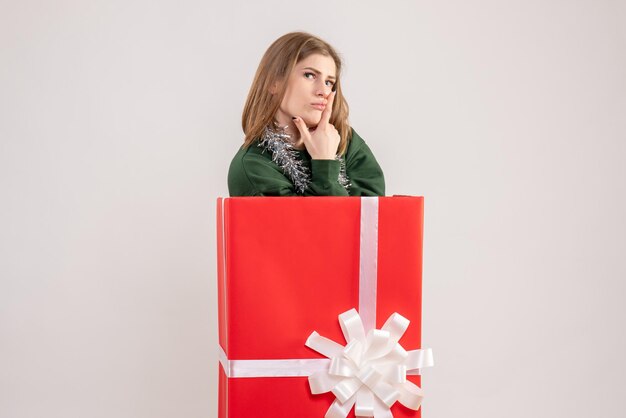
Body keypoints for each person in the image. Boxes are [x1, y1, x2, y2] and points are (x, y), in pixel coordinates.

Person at [227, 32, 385, 196]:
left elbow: (372, 219)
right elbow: (317, 222)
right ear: (274, 83)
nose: (323, 91)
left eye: (329, 82)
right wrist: (325, 164)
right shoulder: (254, 166)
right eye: (309, 75)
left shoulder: (348, 143)